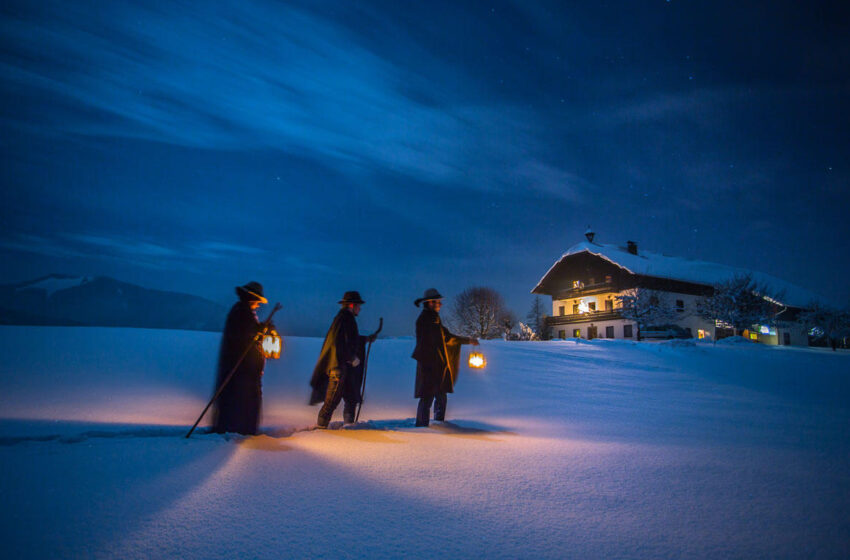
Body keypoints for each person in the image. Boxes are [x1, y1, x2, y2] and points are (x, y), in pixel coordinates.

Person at [211, 281, 272, 436]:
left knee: (241, 402)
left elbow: (248, 334)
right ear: (252, 298)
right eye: (257, 301)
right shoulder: (241, 312)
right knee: (241, 402)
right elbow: (243, 338)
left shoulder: (243, 312)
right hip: (241, 371)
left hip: (243, 370)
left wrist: (260, 328)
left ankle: (238, 429)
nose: (258, 305)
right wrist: (259, 330)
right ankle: (238, 431)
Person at [411, 288, 478, 427]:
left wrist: (467, 340)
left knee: (440, 395)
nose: (440, 305)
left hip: (438, 366)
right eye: (438, 302)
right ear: (430, 303)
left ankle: (438, 424)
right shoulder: (424, 320)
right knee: (427, 397)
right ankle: (422, 427)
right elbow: (427, 345)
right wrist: (431, 363)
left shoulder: (434, 318)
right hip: (430, 366)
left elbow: (447, 337)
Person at [309, 291, 377, 428]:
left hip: (342, 367)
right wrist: (351, 357)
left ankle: (348, 426)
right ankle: (321, 429)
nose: (360, 309)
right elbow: (339, 342)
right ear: (351, 305)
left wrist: (365, 339)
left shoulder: (346, 318)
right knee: (331, 401)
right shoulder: (345, 318)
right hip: (338, 368)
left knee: (351, 397)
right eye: (358, 305)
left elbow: (350, 339)